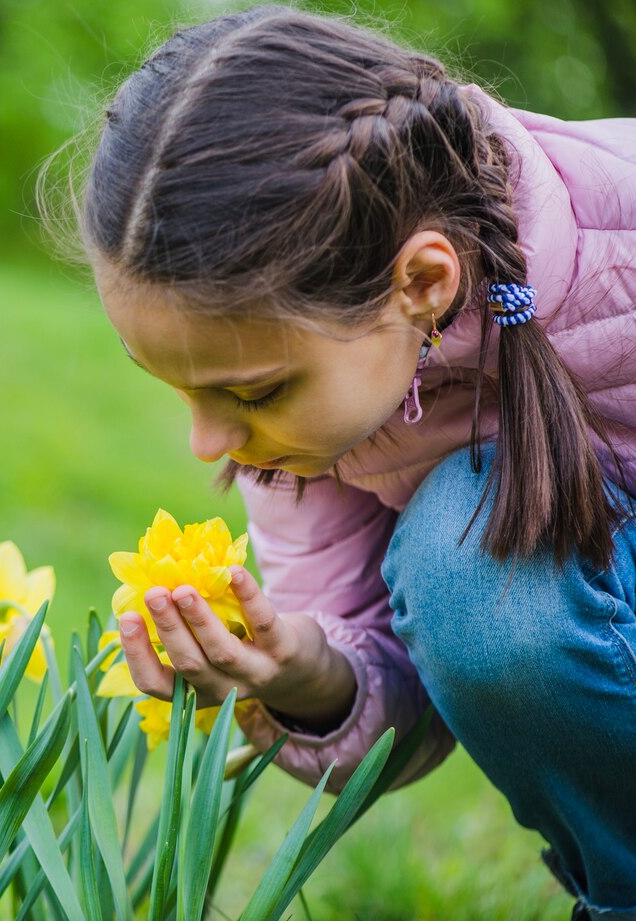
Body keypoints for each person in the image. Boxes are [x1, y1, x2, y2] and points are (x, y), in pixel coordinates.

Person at [68, 5, 636, 917]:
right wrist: (307, 673)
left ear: (422, 283)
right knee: (468, 555)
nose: (207, 444)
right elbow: (421, 690)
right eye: (180, 390)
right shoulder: (317, 429)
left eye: (251, 392)